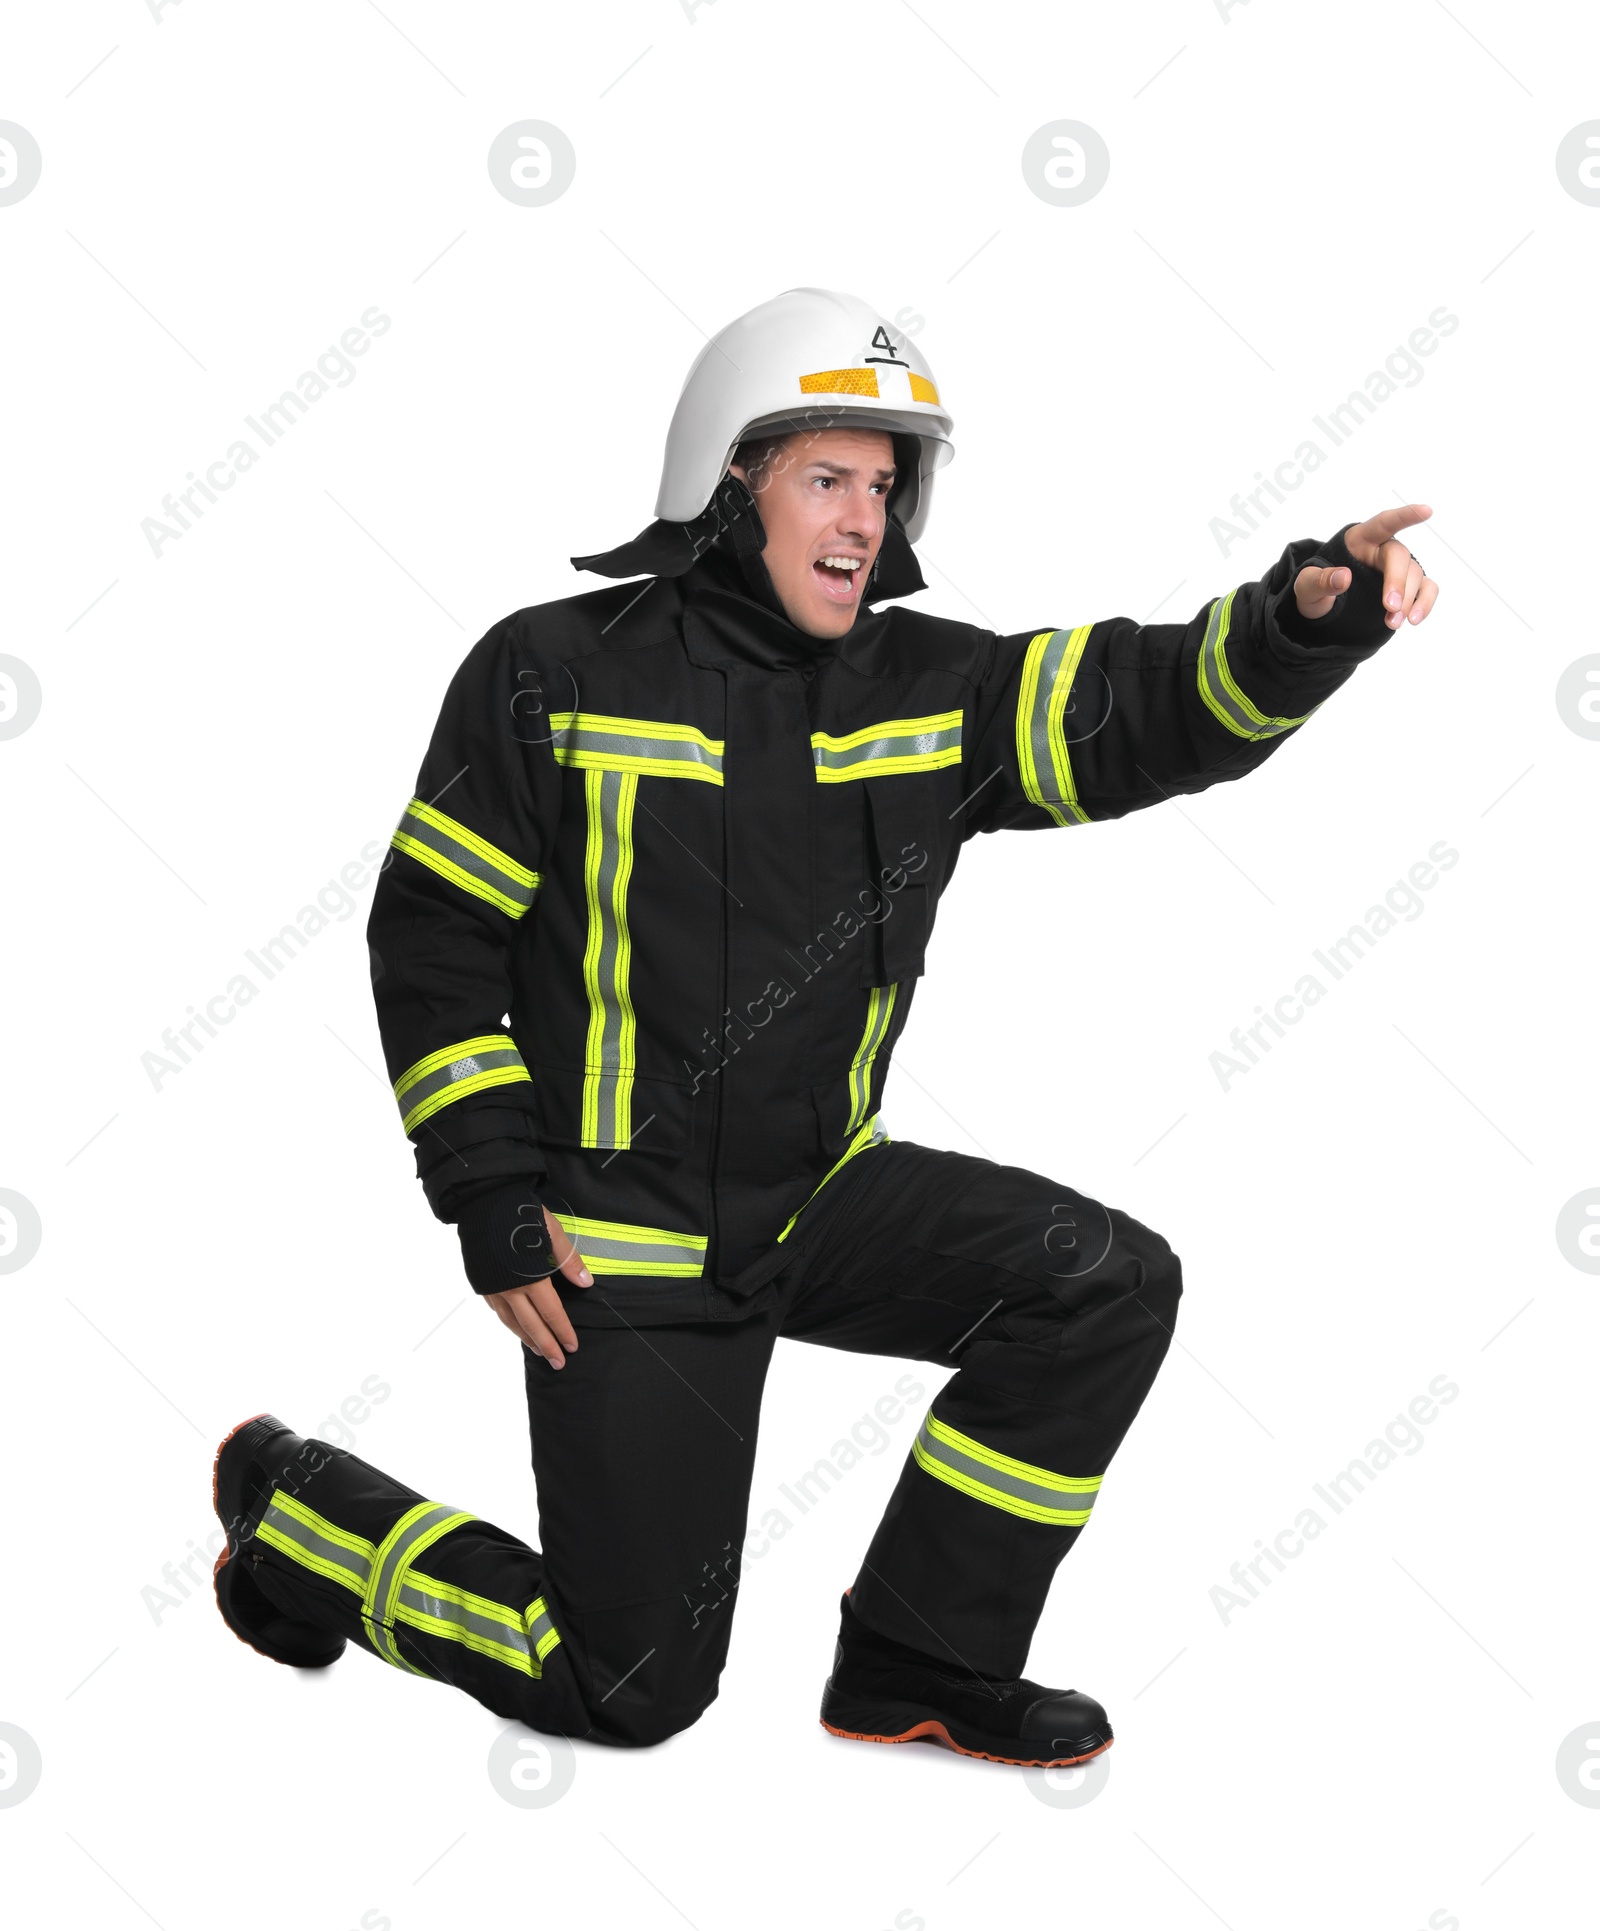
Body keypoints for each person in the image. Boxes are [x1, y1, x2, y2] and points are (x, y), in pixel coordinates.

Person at [210, 288, 1439, 1766]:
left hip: (817, 1200)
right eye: (824, 476)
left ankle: (922, 1660)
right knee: (628, 1688)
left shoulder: (933, 688)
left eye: (882, 480)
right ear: (727, 481)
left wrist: (1310, 619)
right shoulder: (550, 672)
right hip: (624, 1245)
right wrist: (491, 1194)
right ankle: (298, 1517)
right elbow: (434, 938)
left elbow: (1149, 707)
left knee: (1102, 1287)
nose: (862, 516)